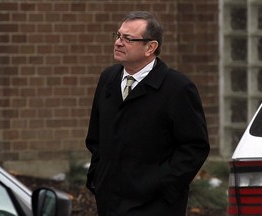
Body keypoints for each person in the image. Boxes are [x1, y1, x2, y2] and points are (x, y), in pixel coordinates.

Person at [85, 11, 210, 216]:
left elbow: (195, 147)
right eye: (118, 35)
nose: (118, 42)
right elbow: (95, 138)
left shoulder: (178, 88)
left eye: (128, 38)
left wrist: (160, 184)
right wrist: (97, 177)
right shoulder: (108, 79)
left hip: (155, 206)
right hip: (110, 202)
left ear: (151, 47)